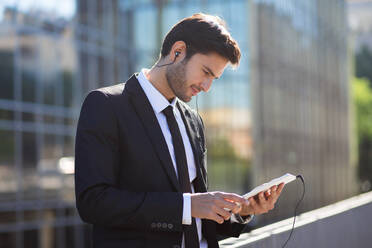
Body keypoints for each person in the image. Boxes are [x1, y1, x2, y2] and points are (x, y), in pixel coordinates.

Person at [75, 13, 284, 248]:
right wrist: (186, 206)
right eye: (206, 72)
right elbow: (92, 202)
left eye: (214, 79)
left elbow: (198, 219)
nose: (206, 87)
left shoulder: (193, 121)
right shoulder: (106, 105)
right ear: (178, 51)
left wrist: (242, 211)